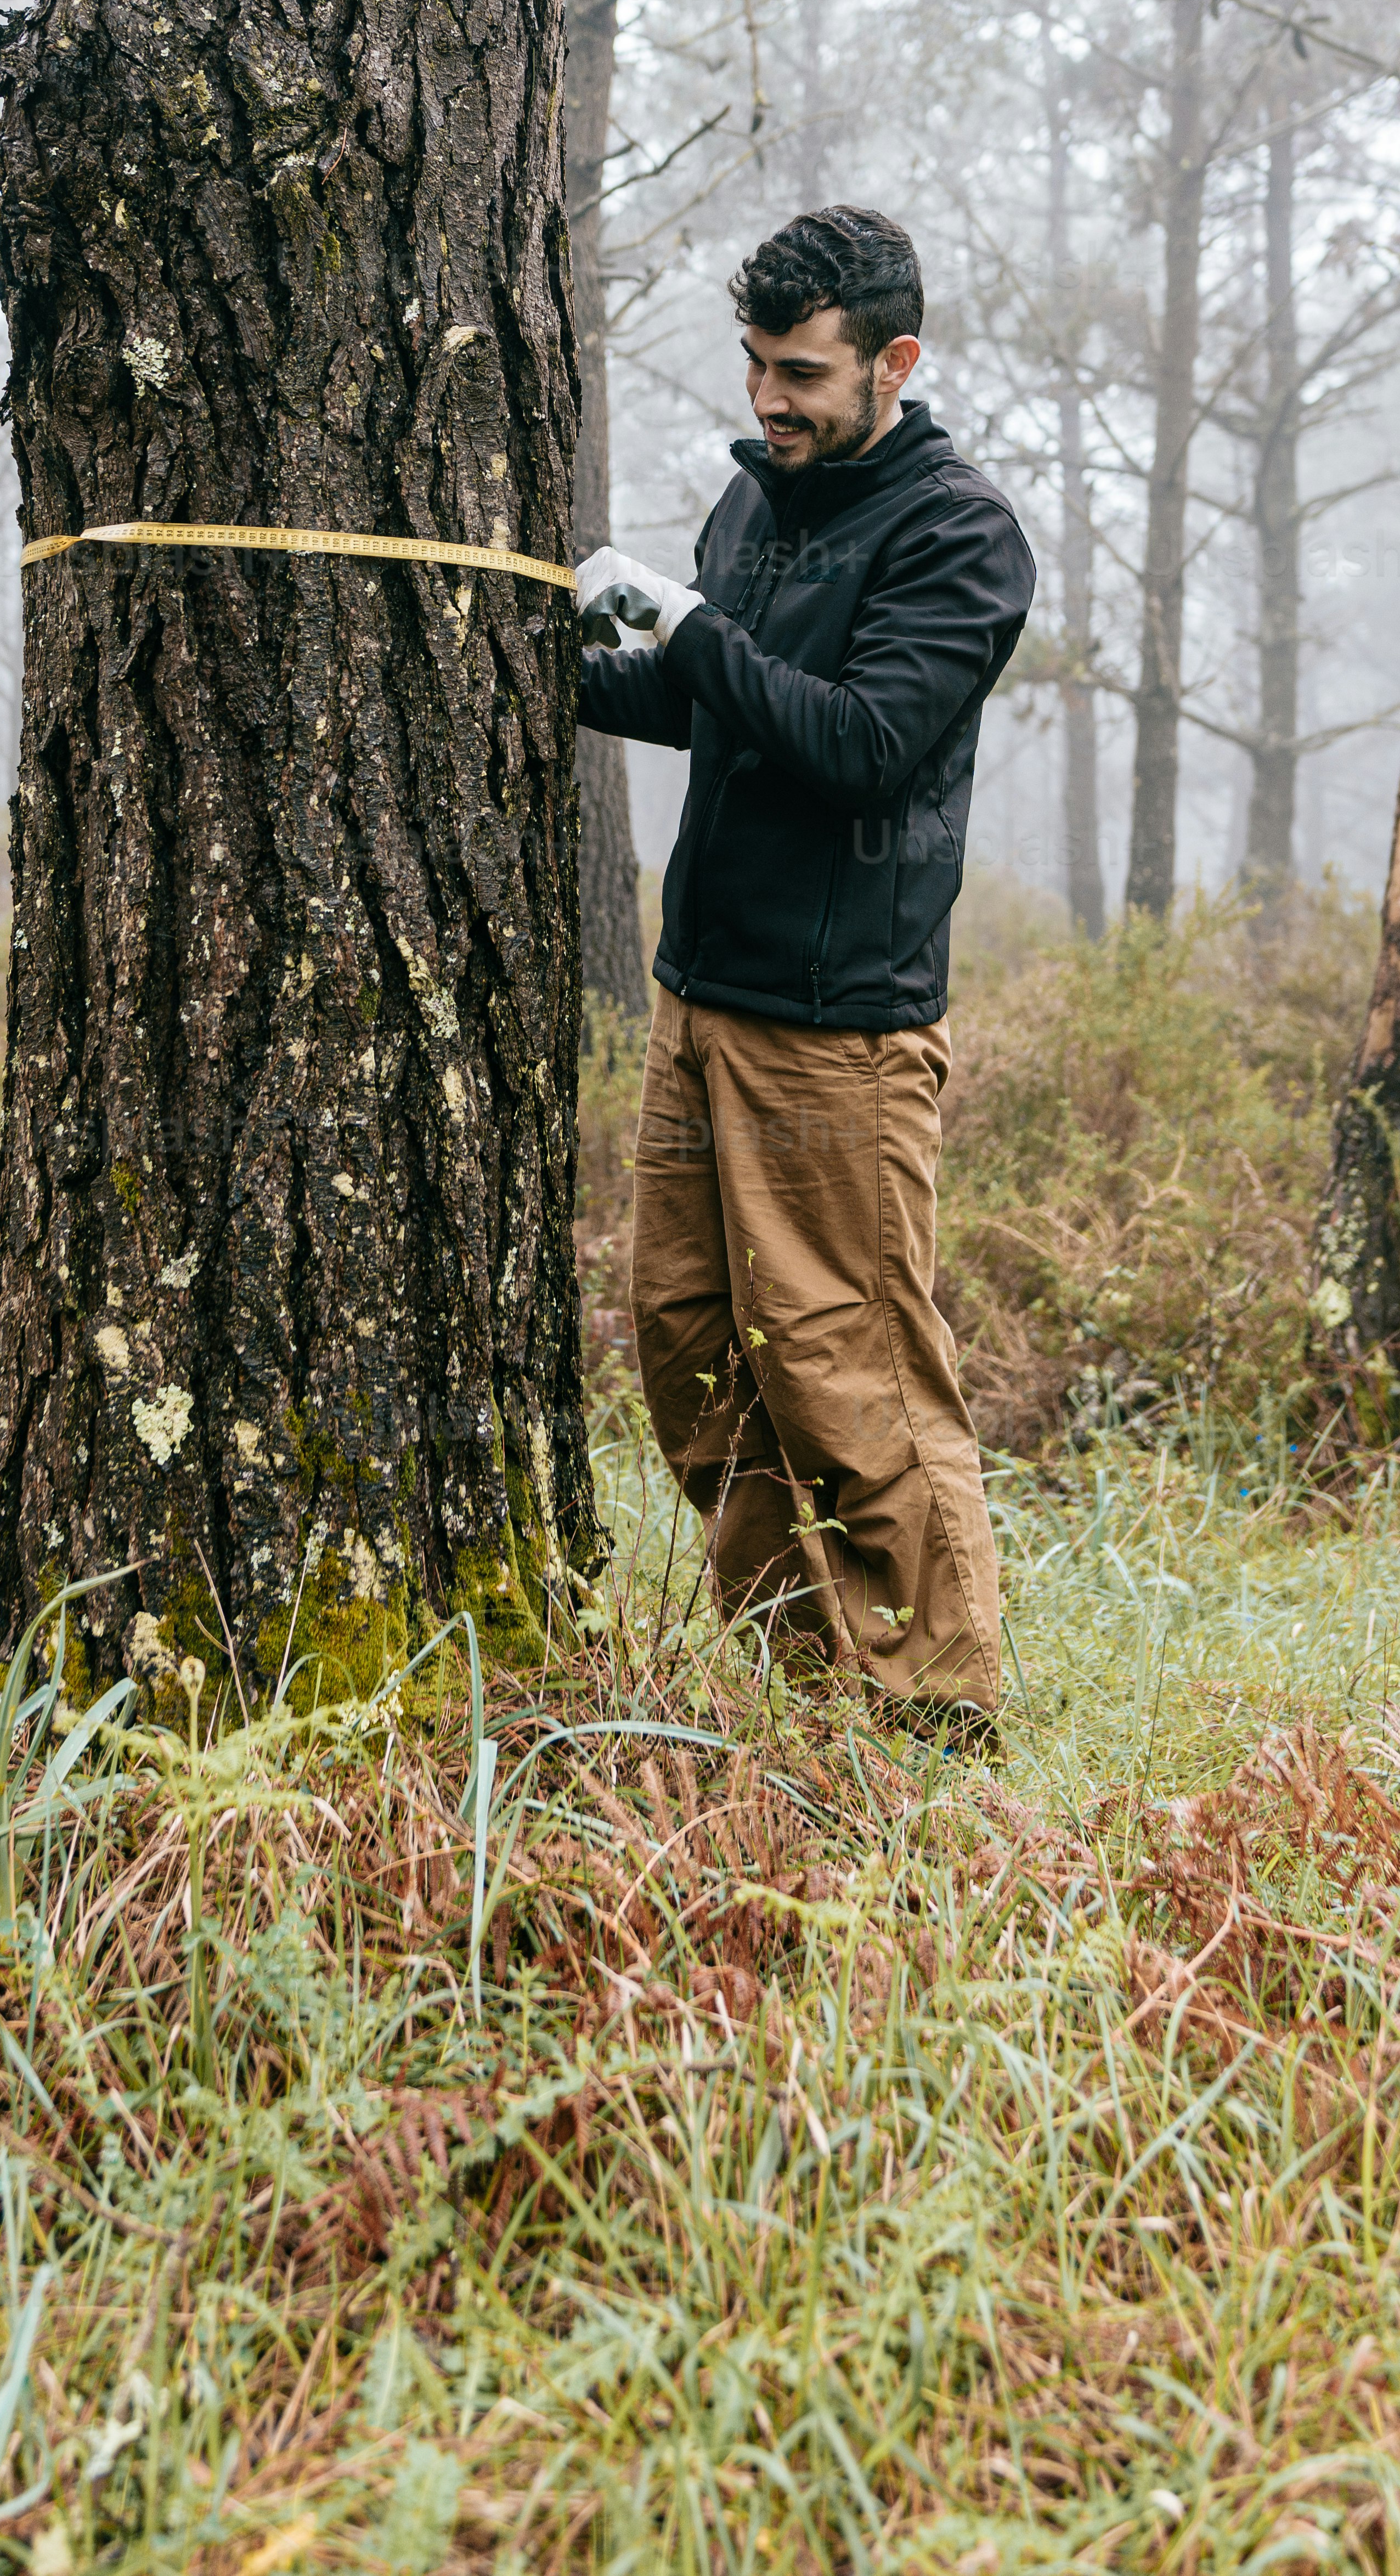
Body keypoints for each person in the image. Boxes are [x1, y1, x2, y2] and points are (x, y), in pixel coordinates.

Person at [575, 205, 1037, 1746]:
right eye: (758, 368)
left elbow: (858, 747)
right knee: (692, 1349)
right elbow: (733, 715)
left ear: (894, 361)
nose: (770, 400)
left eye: (803, 373)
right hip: (699, 999)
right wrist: (588, 672)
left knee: (852, 1378)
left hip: (837, 1037)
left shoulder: (957, 534)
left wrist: (695, 634)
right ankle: (804, 1692)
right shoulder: (756, 502)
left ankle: (935, 1711)